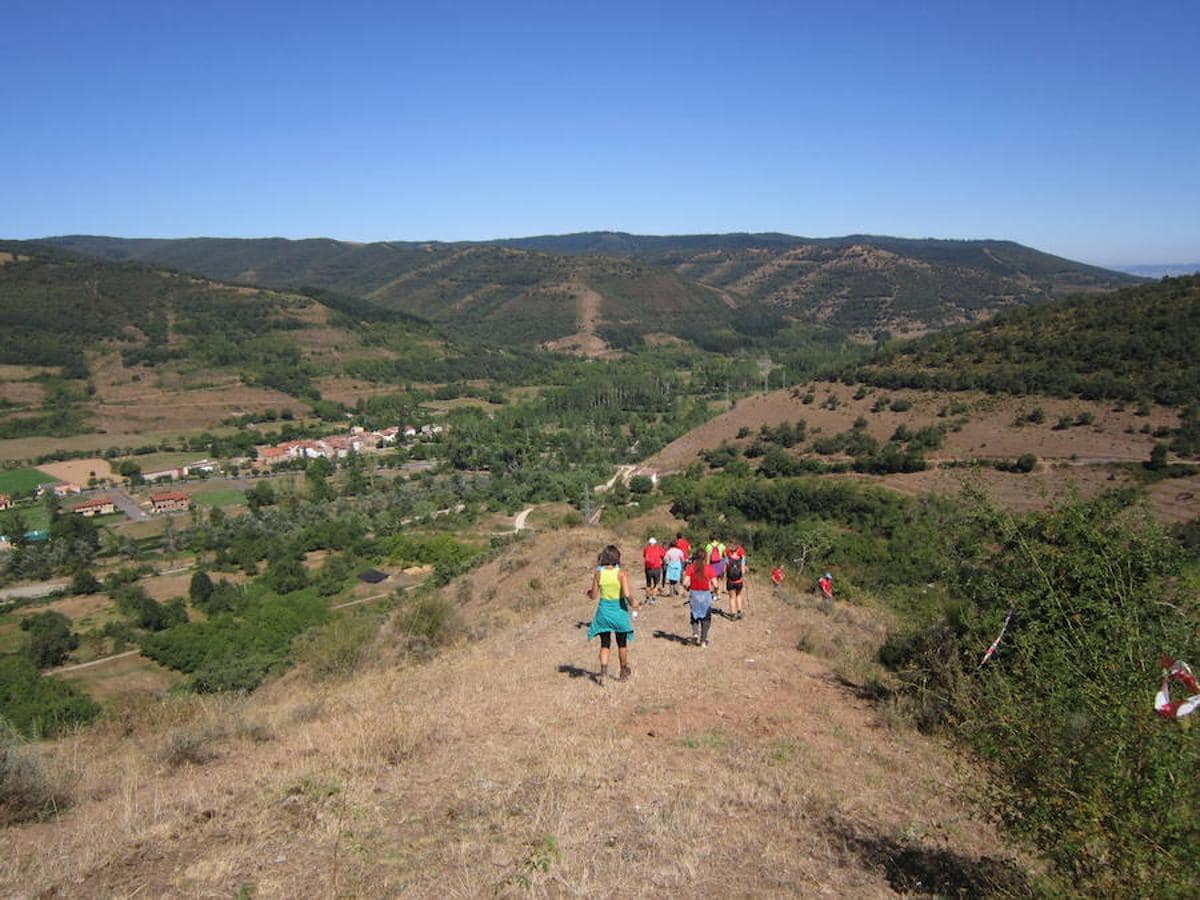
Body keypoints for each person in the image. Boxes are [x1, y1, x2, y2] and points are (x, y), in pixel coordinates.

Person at [587, 544, 639, 682]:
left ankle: (603, 673)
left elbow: (593, 596)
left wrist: (588, 593)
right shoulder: (621, 573)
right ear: (617, 557)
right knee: (622, 643)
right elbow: (627, 594)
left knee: (605, 643)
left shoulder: (598, 573)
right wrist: (634, 602)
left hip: (603, 611)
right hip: (619, 610)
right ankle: (623, 672)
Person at [683, 547, 718, 647]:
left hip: (694, 594)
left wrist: (688, 588)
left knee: (694, 615)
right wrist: (714, 592)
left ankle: (695, 633)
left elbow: (685, 583)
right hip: (706, 595)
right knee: (706, 618)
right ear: (705, 558)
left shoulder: (691, 568)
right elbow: (715, 584)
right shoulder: (709, 568)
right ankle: (703, 641)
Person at [725, 539, 747, 619]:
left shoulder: (728, 557)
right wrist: (743, 576)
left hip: (730, 581)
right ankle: (739, 612)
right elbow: (743, 570)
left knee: (731, 597)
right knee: (739, 595)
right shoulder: (741, 558)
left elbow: (725, 568)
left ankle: (733, 614)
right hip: (739, 581)